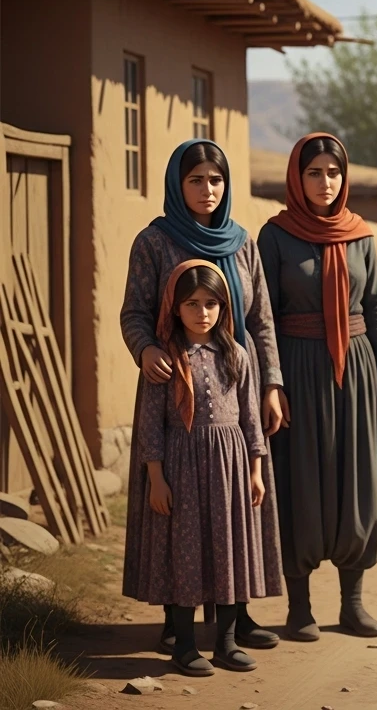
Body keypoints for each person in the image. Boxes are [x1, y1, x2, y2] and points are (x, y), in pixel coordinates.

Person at [120, 140, 284, 654]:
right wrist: (146, 350)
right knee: (181, 516)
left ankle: (238, 616)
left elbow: (259, 320)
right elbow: (134, 313)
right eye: (196, 180)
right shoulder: (154, 241)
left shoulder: (242, 244)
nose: (207, 190)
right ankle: (179, 620)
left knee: (233, 510)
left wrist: (272, 383)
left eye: (215, 180)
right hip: (175, 390)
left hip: (236, 386)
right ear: (177, 183)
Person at [258, 133, 377, 641]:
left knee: (353, 478)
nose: (325, 182)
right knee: (301, 478)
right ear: (298, 177)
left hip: (356, 371)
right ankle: (299, 609)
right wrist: (272, 383)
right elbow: (263, 317)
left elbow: (375, 308)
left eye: (333, 173)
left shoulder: (360, 235)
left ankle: (353, 605)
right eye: (314, 172)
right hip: (297, 367)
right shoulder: (275, 236)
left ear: (345, 177)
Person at [125, 260, 271, 676]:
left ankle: (225, 644)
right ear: (175, 307)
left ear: (224, 307)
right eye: (192, 303)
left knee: (227, 552)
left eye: (211, 303)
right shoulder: (163, 360)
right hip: (181, 466)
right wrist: (156, 478)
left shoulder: (237, 354)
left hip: (229, 466)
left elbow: (250, 418)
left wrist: (256, 470)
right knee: (186, 554)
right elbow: (150, 425)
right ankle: (185, 646)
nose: (202, 312)